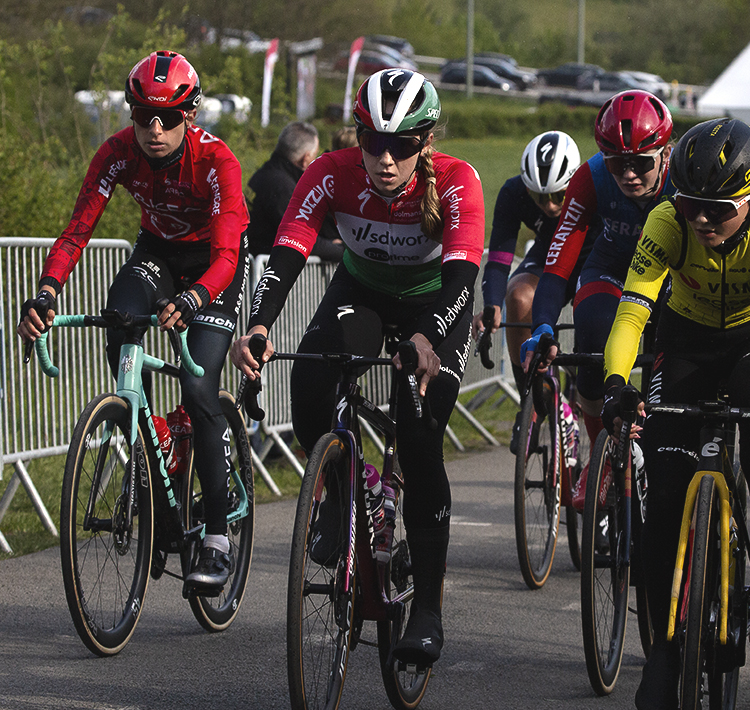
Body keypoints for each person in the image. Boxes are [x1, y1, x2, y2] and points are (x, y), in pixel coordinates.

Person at [230, 69, 485, 667]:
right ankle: (347, 491)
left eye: (402, 146)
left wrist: (426, 336)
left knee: (418, 435)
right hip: (362, 293)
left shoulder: (457, 179)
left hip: (436, 304)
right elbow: (286, 252)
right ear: (358, 136)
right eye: (373, 142)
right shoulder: (330, 172)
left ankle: (427, 610)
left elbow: (461, 279)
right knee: (311, 380)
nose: (385, 159)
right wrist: (260, 324)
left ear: (426, 142)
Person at [600, 118, 750, 710]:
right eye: (690, 205)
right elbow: (631, 314)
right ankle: (663, 648)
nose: (702, 221)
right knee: (663, 496)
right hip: (687, 338)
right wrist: (616, 384)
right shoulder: (666, 221)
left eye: (719, 210)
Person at [17, 50, 250, 593]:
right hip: (157, 253)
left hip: (214, 265)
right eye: (143, 116)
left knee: (198, 386)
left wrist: (195, 298)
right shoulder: (117, 153)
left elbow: (226, 256)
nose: (154, 130)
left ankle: (217, 537)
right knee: (118, 320)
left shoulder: (217, 161)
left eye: (167, 118)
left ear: (189, 115)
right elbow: (77, 231)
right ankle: (155, 439)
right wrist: (47, 292)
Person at [522, 89, 675, 508]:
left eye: (641, 163)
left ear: (665, 153)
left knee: (672, 356)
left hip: (672, 275)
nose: (629, 174)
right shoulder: (590, 177)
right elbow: (557, 268)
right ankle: (603, 453)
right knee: (591, 334)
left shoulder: (683, 177)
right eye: (617, 163)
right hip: (612, 265)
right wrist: (542, 327)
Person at [473, 131, 593, 414]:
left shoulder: (593, 187)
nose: (549, 205)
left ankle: (583, 390)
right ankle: (530, 398)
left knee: (590, 315)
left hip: (589, 259)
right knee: (517, 297)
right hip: (548, 254)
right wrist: (492, 303)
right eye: (539, 197)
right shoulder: (513, 192)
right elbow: (499, 258)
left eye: (558, 195)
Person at [246, 121, 342, 261]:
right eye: (315, 155)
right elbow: (298, 238)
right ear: (305, 158)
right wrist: (341, 250)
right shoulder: (282, 187)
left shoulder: (265, 174)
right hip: (267, 265)